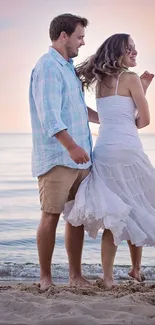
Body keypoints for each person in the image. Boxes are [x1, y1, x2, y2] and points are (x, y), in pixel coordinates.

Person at [63, 33, 155, 289]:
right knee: (136, 206)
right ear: (119, 52)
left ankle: (107, 278)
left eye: (135, 48)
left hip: (103, 151)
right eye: (130, 49)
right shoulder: (132, 78)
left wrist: (141, 90)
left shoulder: (100, 80)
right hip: (127, 152)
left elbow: (113, 114)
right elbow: (142, 121)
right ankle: (136, 270)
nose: (135, 52)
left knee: (115, 215)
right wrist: (144, 90)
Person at [29, 13, 99, 290]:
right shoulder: (48, 67)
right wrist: (71, 146)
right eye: (79, 37)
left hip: (80, 157)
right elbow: (50, 117)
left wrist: (109, 118)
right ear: (63, 36)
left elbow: (78, 111)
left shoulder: (68, 68)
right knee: (51, 215)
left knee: (76, 217)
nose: (82, 42)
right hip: (59, 157)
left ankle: (75, 276)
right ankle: (45, 278)